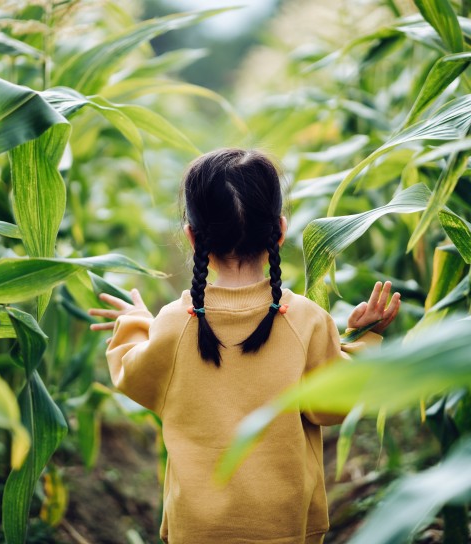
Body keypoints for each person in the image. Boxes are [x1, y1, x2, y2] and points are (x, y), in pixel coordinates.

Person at [88, 148, 401, 544]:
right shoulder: (304, 320)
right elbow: (332, 402)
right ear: (281, 230)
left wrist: (135, 323)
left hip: (196, 529)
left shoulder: (174, 324)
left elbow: (135, 373)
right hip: (286, 527)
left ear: (192, 237)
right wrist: (363, 339)